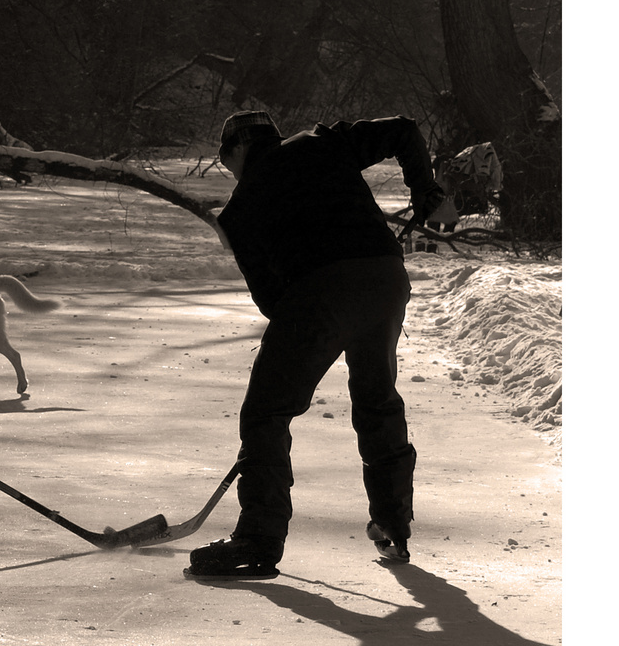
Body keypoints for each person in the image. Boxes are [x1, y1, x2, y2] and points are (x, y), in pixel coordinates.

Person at [187, 110, 447, 579]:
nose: (234, 174)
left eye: (229, 163)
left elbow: (271, 301)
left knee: (267, 412)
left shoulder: (240, 210)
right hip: (385, 279)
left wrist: (309, 320)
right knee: (377, 399)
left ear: (240, 148)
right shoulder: (321, 142)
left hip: (320, 293)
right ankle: (392, 523)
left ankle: (258, 540)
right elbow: (404, 129)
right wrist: (422, 187)